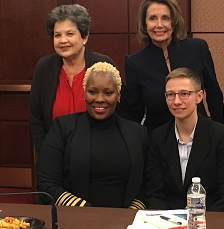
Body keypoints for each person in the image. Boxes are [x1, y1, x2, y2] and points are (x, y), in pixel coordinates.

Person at [36, 62, 148, 209]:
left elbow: (149, 183)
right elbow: (46, 182)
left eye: (108, 93)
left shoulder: (138, 133)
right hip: (76, 218)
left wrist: (131, 215)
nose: (100, 99)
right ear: (84, 93)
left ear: (118, 95)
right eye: (92, 91)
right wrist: (90, 214)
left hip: (127, 220)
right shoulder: (62, 127)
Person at [120, 0, 224, 133]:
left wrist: (221, 134)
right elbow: (134, 113)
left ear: (174, 22)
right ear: (144, 24)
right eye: (152, 18)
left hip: (201, 136)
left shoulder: (198, 48)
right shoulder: (135, 63)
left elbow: (214, 95)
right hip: (157, 144)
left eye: (165, 18)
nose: (159, 24)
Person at [146, 67, 224, 212]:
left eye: (184, 94)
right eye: (170, 95)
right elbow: (154, 194)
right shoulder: (157, 137)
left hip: (211, 220)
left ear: (199, 96)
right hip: (167, 221)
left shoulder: (221, 136)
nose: (176, 101)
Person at [30, 4, 115, 154]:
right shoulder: (44, 67)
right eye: (57, 35)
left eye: (69, 34)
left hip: (98, 152)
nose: (63, 40)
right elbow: (36, 116)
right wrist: (45, 153)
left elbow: (118, 111)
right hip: (55, 153)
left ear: (85, 37)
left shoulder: (102, 65)